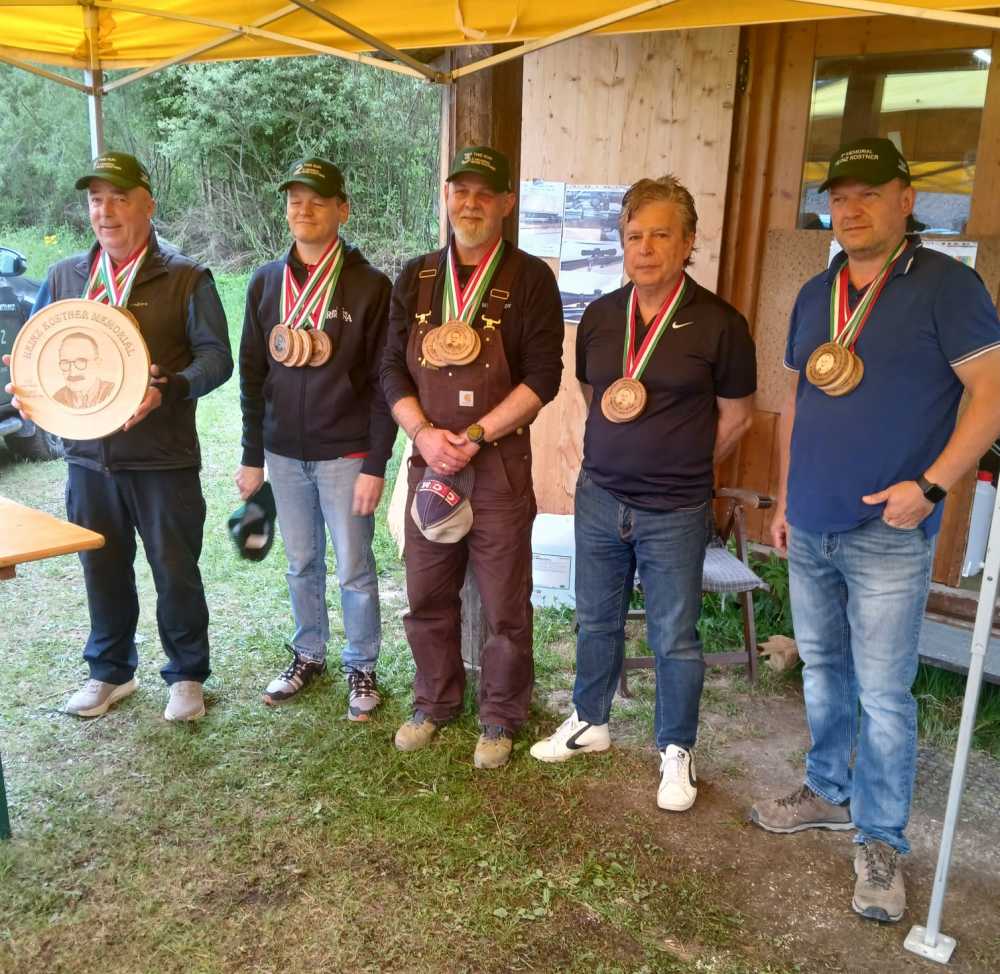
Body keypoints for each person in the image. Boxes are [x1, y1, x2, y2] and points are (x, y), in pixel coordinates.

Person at [750, 137, 1000, 923]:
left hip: (889, 530)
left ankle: (882, 840)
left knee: (886, 695)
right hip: (811, 522)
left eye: (868, 193)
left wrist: (931, 486)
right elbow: (799, 400)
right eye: (839, 196)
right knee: (823, 669)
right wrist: (784, 501)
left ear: (906, 200)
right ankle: (828, 790)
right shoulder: (817, 291)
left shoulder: (947, 287)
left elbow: (992, 392)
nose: (850, 209)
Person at [529, 176, 756, 811]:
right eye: (635, 236)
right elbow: (594, 396)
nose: (646, 248)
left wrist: (682, 465)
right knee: (595, 619)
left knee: (674, 636)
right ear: (622, 243)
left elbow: (738, 417)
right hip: (601, 496)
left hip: (676, 508)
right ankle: (589, 720)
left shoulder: (721, 324)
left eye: (661, 235)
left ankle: (676, 748)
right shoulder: (602, 317)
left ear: (688, 242)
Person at [6, 151, 232, 721]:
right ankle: (110, 672)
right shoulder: (65, 276)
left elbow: (216, 359)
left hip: (162, 458)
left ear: (147, 205)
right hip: (88, 461)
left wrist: (170, 388)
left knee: (175, 571)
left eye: (119, 198)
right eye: (95, 200)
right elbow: (36, 356)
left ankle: (186, 674)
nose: (105, 211)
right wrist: (27, 390)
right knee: (102, 570)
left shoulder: (186, 277)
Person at [380, 145, 564, 769]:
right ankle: (433, 702)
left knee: (505, 602)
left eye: (485, 192)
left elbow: (543, 377)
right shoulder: (416, 276)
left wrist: (479, 434)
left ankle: (502, 714)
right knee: (426, 590)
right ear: (447, 198)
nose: (471, 203)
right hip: (431, 462)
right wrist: (424, 435)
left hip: (498, 467)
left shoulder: (532, 278)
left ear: (507, 202)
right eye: (461, 191)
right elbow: (389, 368)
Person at [236, 157, 395, 717]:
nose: (303, 210)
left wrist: (375, 463)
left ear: (342, 210)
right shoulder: (265, 282)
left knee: (354, 567)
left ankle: (362, 665)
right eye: (294, 201)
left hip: (345, 454)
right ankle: (308, 653)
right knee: (301, 562)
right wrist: (252, 456)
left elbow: (383, 384)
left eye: (317, 200)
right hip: (283, 453)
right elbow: (252, 373)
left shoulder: (371, 286)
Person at [52, 332, 115, 408]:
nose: (72, 372)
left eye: (81, 361)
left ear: (97, 363)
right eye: (65, 362)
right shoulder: (57, 399)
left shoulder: (113, 393)